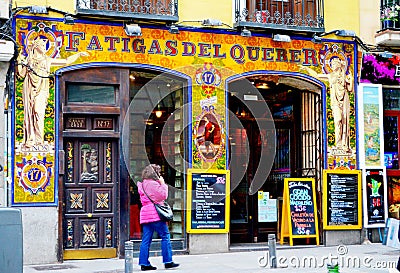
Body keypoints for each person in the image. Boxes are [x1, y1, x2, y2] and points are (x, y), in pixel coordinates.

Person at [17, 37, 88, 148]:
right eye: (42, 45)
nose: (44, 48)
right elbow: (21, 74)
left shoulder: (47, 60)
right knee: (30, 113)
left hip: (42, 89)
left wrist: (78, 54)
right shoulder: (29, 60)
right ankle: (31, 139)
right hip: (29, 88)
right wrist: (19, 60)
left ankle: (39, 141)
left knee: (38, 112)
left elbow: (66, 61)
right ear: (36, 46)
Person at [137, 164, 179, 271]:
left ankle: (144, 263)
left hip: (146, 214)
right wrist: (163, 183)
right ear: (155, 173)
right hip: (155, 214)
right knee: (165, 235)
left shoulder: (143, 184)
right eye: (158, 172)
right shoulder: (152, 184)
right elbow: (163, 195)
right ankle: (168, 261)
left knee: (146, 239)